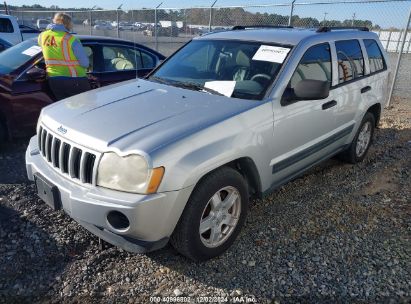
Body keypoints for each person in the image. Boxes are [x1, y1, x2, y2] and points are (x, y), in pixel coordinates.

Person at [38, 13, 91, 101]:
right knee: (85, 107)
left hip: (53, 79)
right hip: (75, 79)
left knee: (63, 108)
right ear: (66, 23)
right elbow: (85, 64)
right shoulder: (71, 39)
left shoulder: (42, 36)